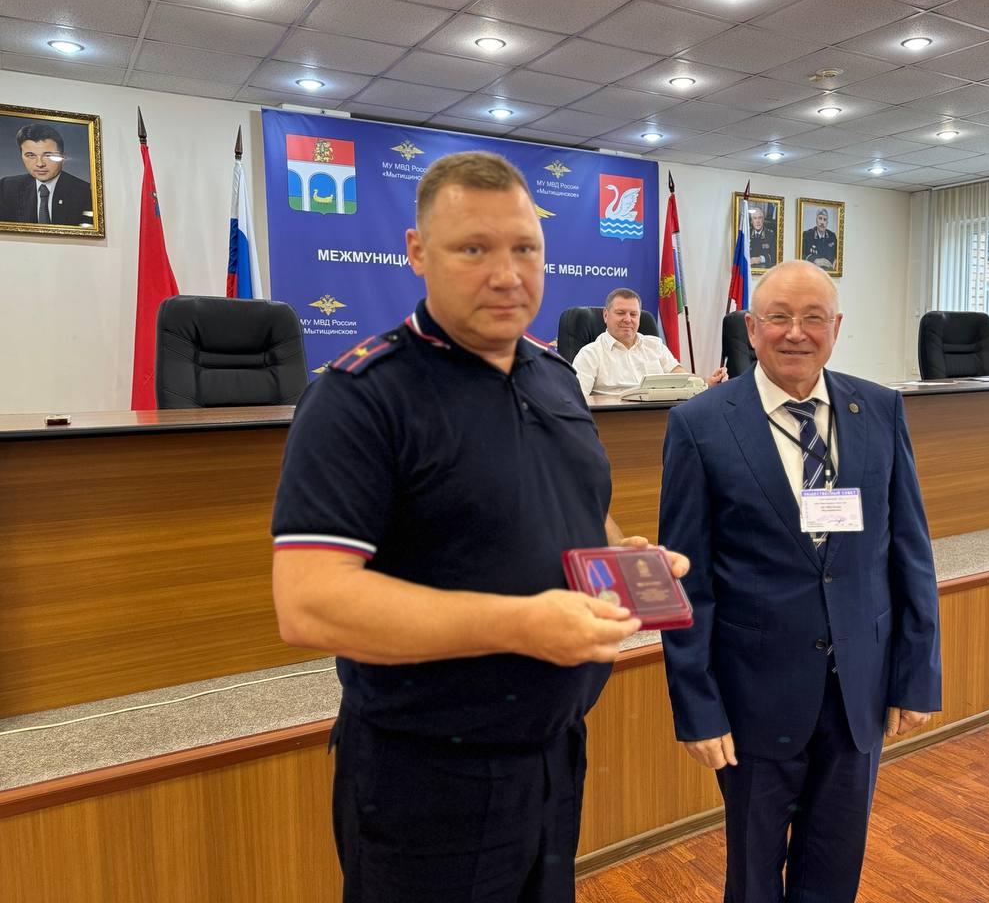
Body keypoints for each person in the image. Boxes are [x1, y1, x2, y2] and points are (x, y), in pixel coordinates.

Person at [271, 151, 687, 903]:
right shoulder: (359, 397)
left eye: (525, 248)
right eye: (474, 249)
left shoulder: (555, 376)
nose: (506, 274)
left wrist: (618, 555)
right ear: (417, 252)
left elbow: (581, 505)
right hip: (426, 775)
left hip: (555, 754)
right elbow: (309, 603)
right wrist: (520, 625)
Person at [658, 260, 942, 902]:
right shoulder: (699, 424)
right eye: (779, 317)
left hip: (858, 693)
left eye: (813, 318)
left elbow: (910, 552)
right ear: (751, 328)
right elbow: (685, 582)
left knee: (835, 868)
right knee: (753, 876)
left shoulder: (879, 409)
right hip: (753, 697)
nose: (796, 332)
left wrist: (917, 674)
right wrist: (696, 707)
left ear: (835, 327)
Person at [572, 287, 727, 398]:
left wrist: (706, 382)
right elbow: (576, 400)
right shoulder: (590, 354)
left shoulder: (655, 346)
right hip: (614, 423)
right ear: (606, 315)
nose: (628, 319)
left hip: (659, 418)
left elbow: (683, 377)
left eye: (633, 314)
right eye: (620, 313)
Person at [0, 122, 93, 225]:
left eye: (48, 155)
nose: (40, 164)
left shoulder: (85, 193)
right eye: (31, 155)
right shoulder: (6, 188)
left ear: (63, 158)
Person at [748, 206, 776, 270]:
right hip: (749, 270)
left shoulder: (771, 235)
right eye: (755, 218)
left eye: (760, 218)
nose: (757, 221)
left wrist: (761, 259)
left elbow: (775, 257)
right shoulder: (747, 234)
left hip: (765, 270)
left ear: (763, 220)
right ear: (751, 221)